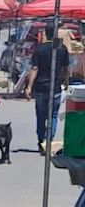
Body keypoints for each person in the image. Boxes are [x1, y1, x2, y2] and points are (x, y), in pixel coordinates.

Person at [25, 22, 69, 155]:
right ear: (56, 33)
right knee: (53, 115)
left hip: (40, 88)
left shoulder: (39, 50)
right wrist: (66, 82)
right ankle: (49, 141)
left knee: (40, 115)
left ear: (45, 33)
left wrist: (29, 86)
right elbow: (66, 68)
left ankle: (41, 140)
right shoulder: (62, 48)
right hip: (55, 87)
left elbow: (34, 68)